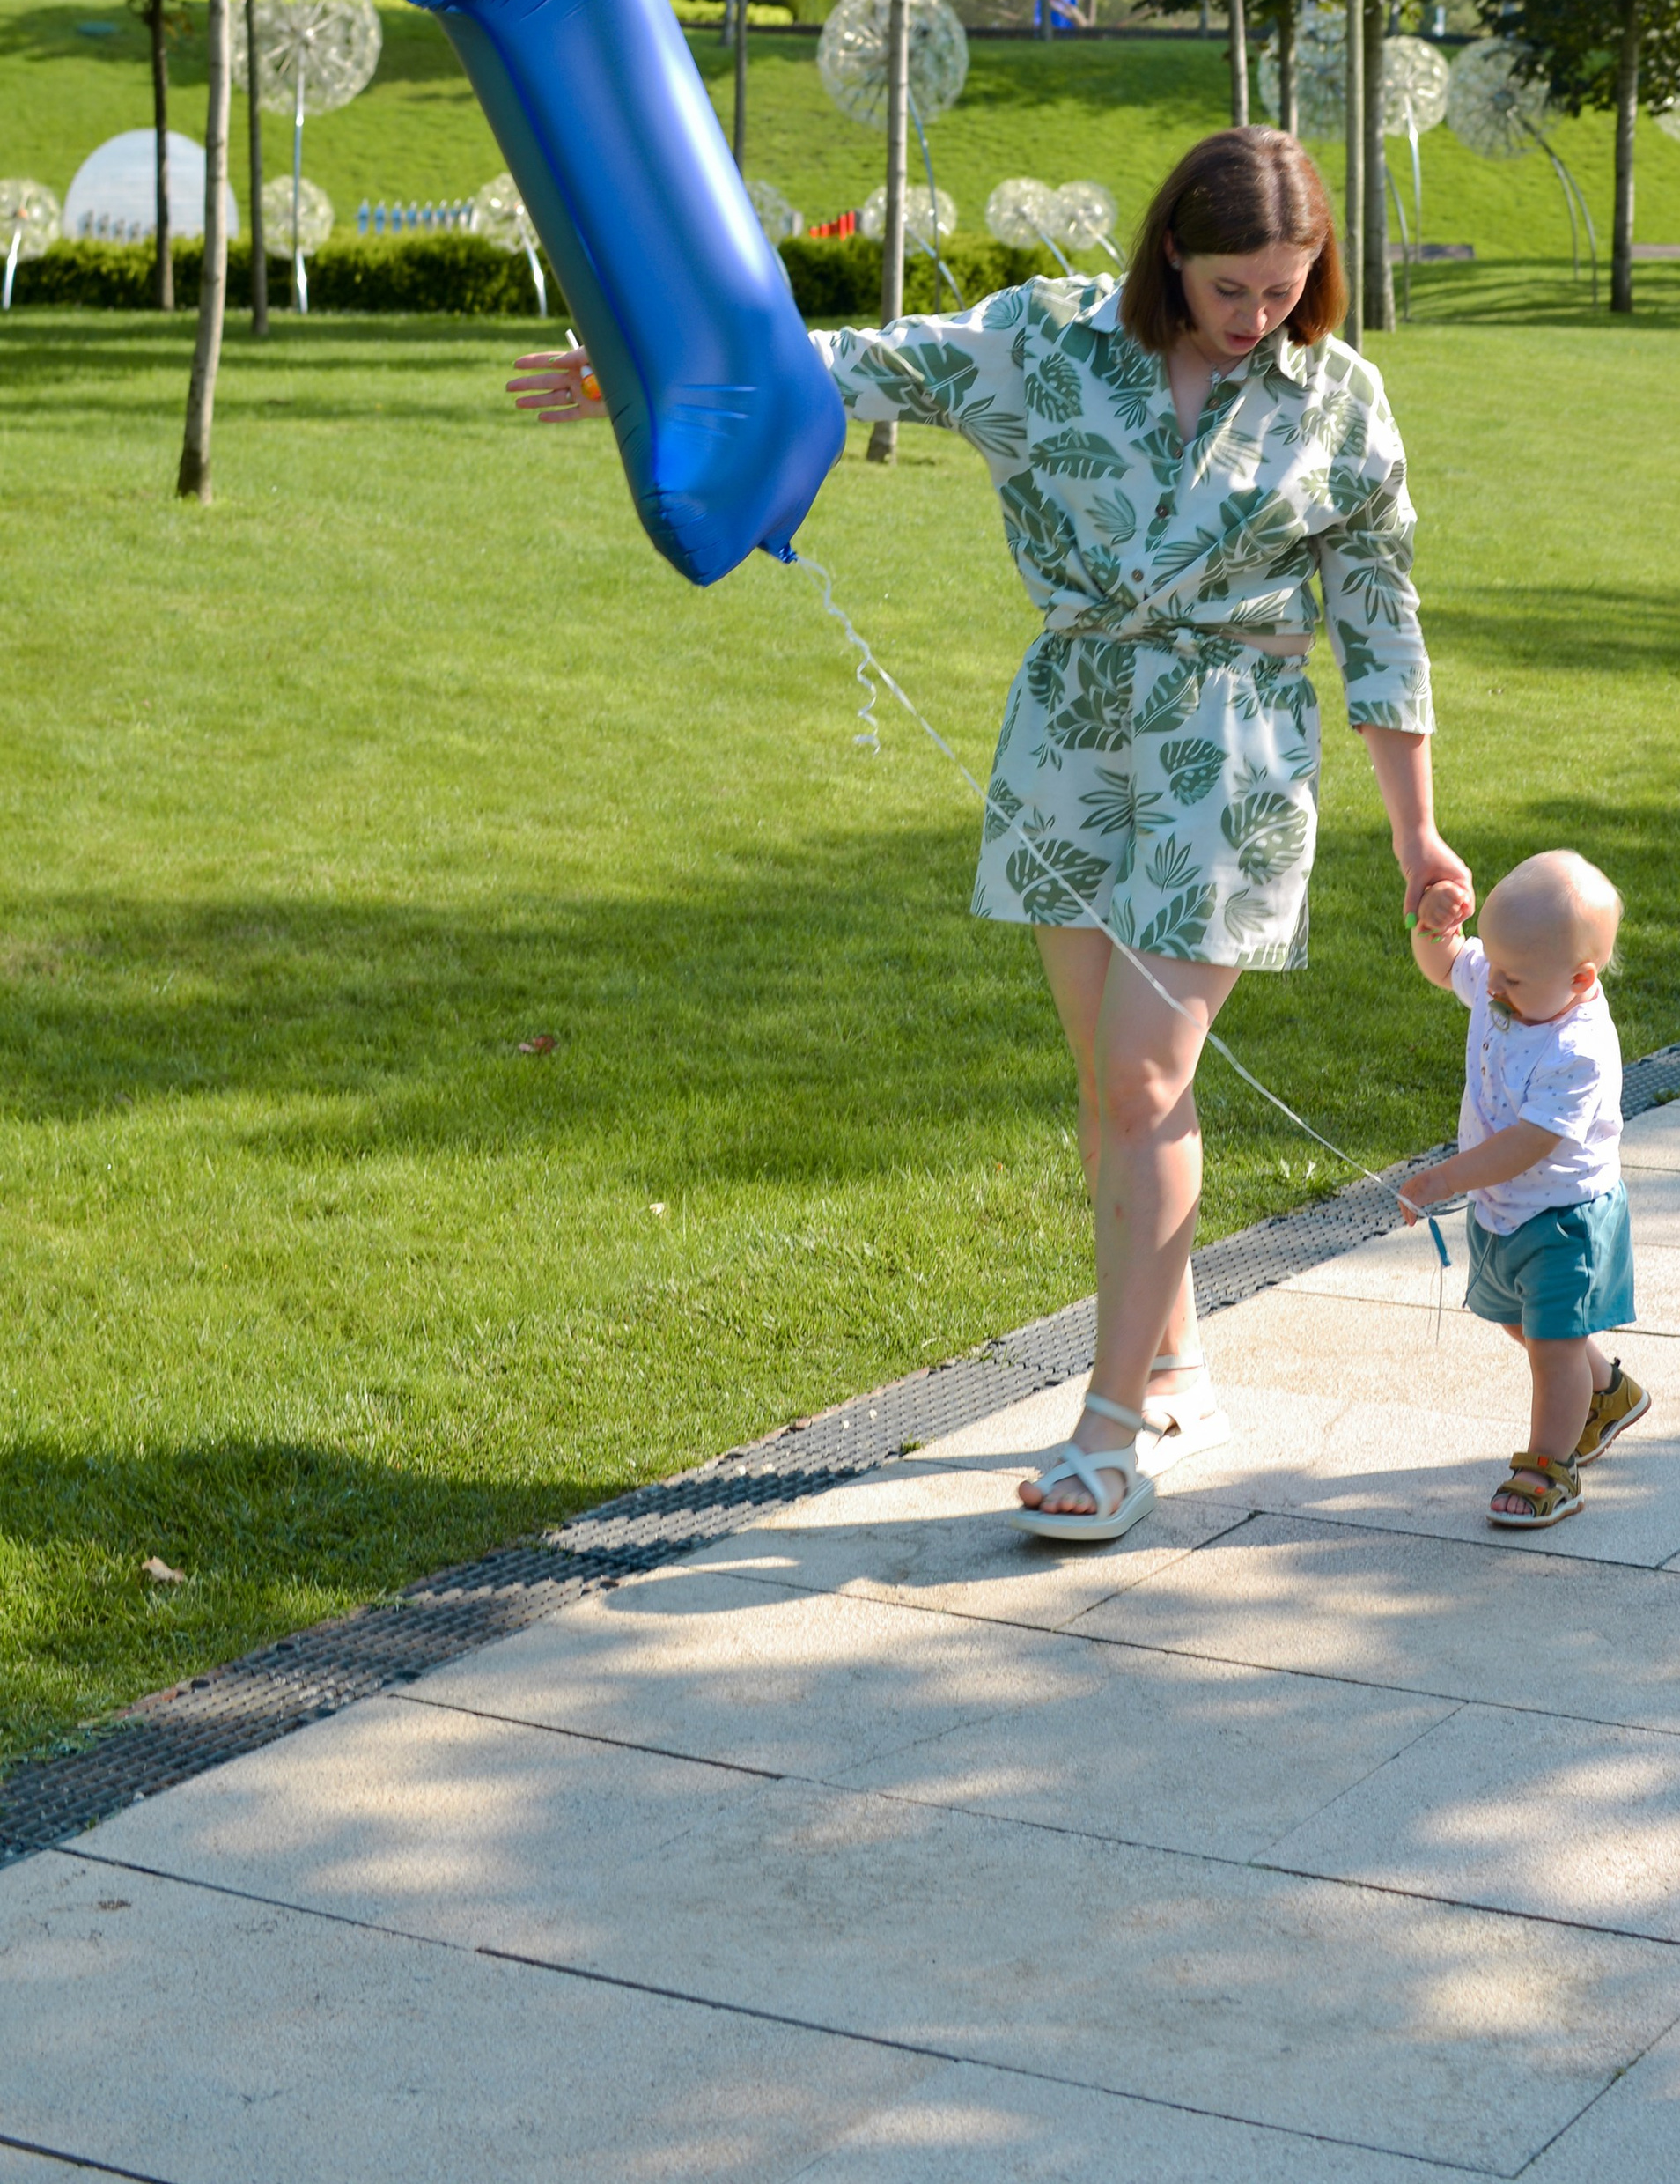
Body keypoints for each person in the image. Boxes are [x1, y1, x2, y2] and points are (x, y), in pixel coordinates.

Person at [512, 127, 1472, 1546]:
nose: (1261, 312)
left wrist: (1420, 835)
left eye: (1288, 283)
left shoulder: (1340, 396)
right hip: (1071, 726)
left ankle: (1107, 1426)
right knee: (1108, 1087)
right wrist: (638, 378)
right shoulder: (1047, 341)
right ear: (1169, 255)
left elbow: (1382, 621)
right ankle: (1180, 1366)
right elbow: (838, 365)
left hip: (1234, 748)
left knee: (1147, 1080)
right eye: (1232, 286)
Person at [1397, 848, 1643, 1531]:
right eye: (1493, 967)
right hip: (1503, 1207)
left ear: (1580, 977)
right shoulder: (1516, 980)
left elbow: (1527, 1143)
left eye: (1509, 977)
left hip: (1564, 1215)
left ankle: (1548, 1466)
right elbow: (1449, 965)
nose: (1491, 986)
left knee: (1553, 1345)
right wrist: (1434, 932)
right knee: (1518, 1320)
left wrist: (1443, 1178)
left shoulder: (1579, 1048)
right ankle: (1610, 1392)